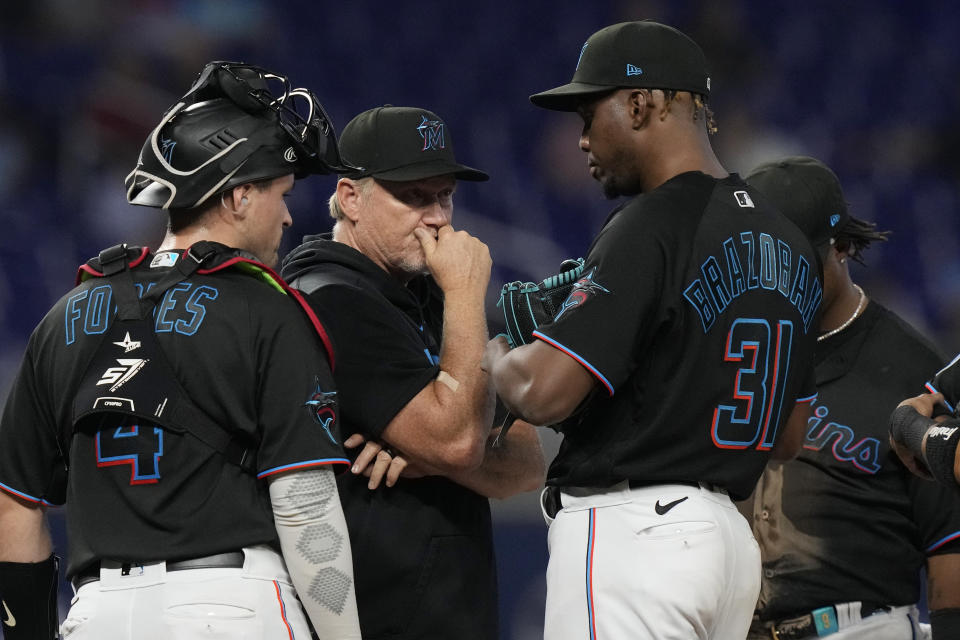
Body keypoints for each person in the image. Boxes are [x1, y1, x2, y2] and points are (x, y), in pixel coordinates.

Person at [484, 20, 822, 640]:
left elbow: (542, 393)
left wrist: (496, 349)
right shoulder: (789, 240)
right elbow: (789, 435)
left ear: (641, 105)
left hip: (637, 533)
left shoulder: (653, 223)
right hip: (727, 547)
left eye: (590, 116)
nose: (582, 140)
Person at [0, 62, 362, 639]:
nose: (290, 215)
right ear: (240, 196)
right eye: (281, 194)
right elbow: (304, 505)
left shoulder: (63, 315)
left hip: (97, 615)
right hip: (229, 606)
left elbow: (14, 507)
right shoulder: (267, 308)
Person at [280, 105, 546, 640]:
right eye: (414, 196)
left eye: (444, 195)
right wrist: (468, 293)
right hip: (375, 614)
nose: (439, 218)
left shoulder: (425, 293)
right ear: (351, 197)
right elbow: (458, 441)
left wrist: (430, 456)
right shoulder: (328, 297)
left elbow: (528, 463)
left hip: (450, 612)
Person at [740, 156, 960, 640]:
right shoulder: (734, 351)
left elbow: (950, 552)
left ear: (840, 247)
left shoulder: (914, 371)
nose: (775, 277)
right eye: (760, 260)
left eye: (791, 260)